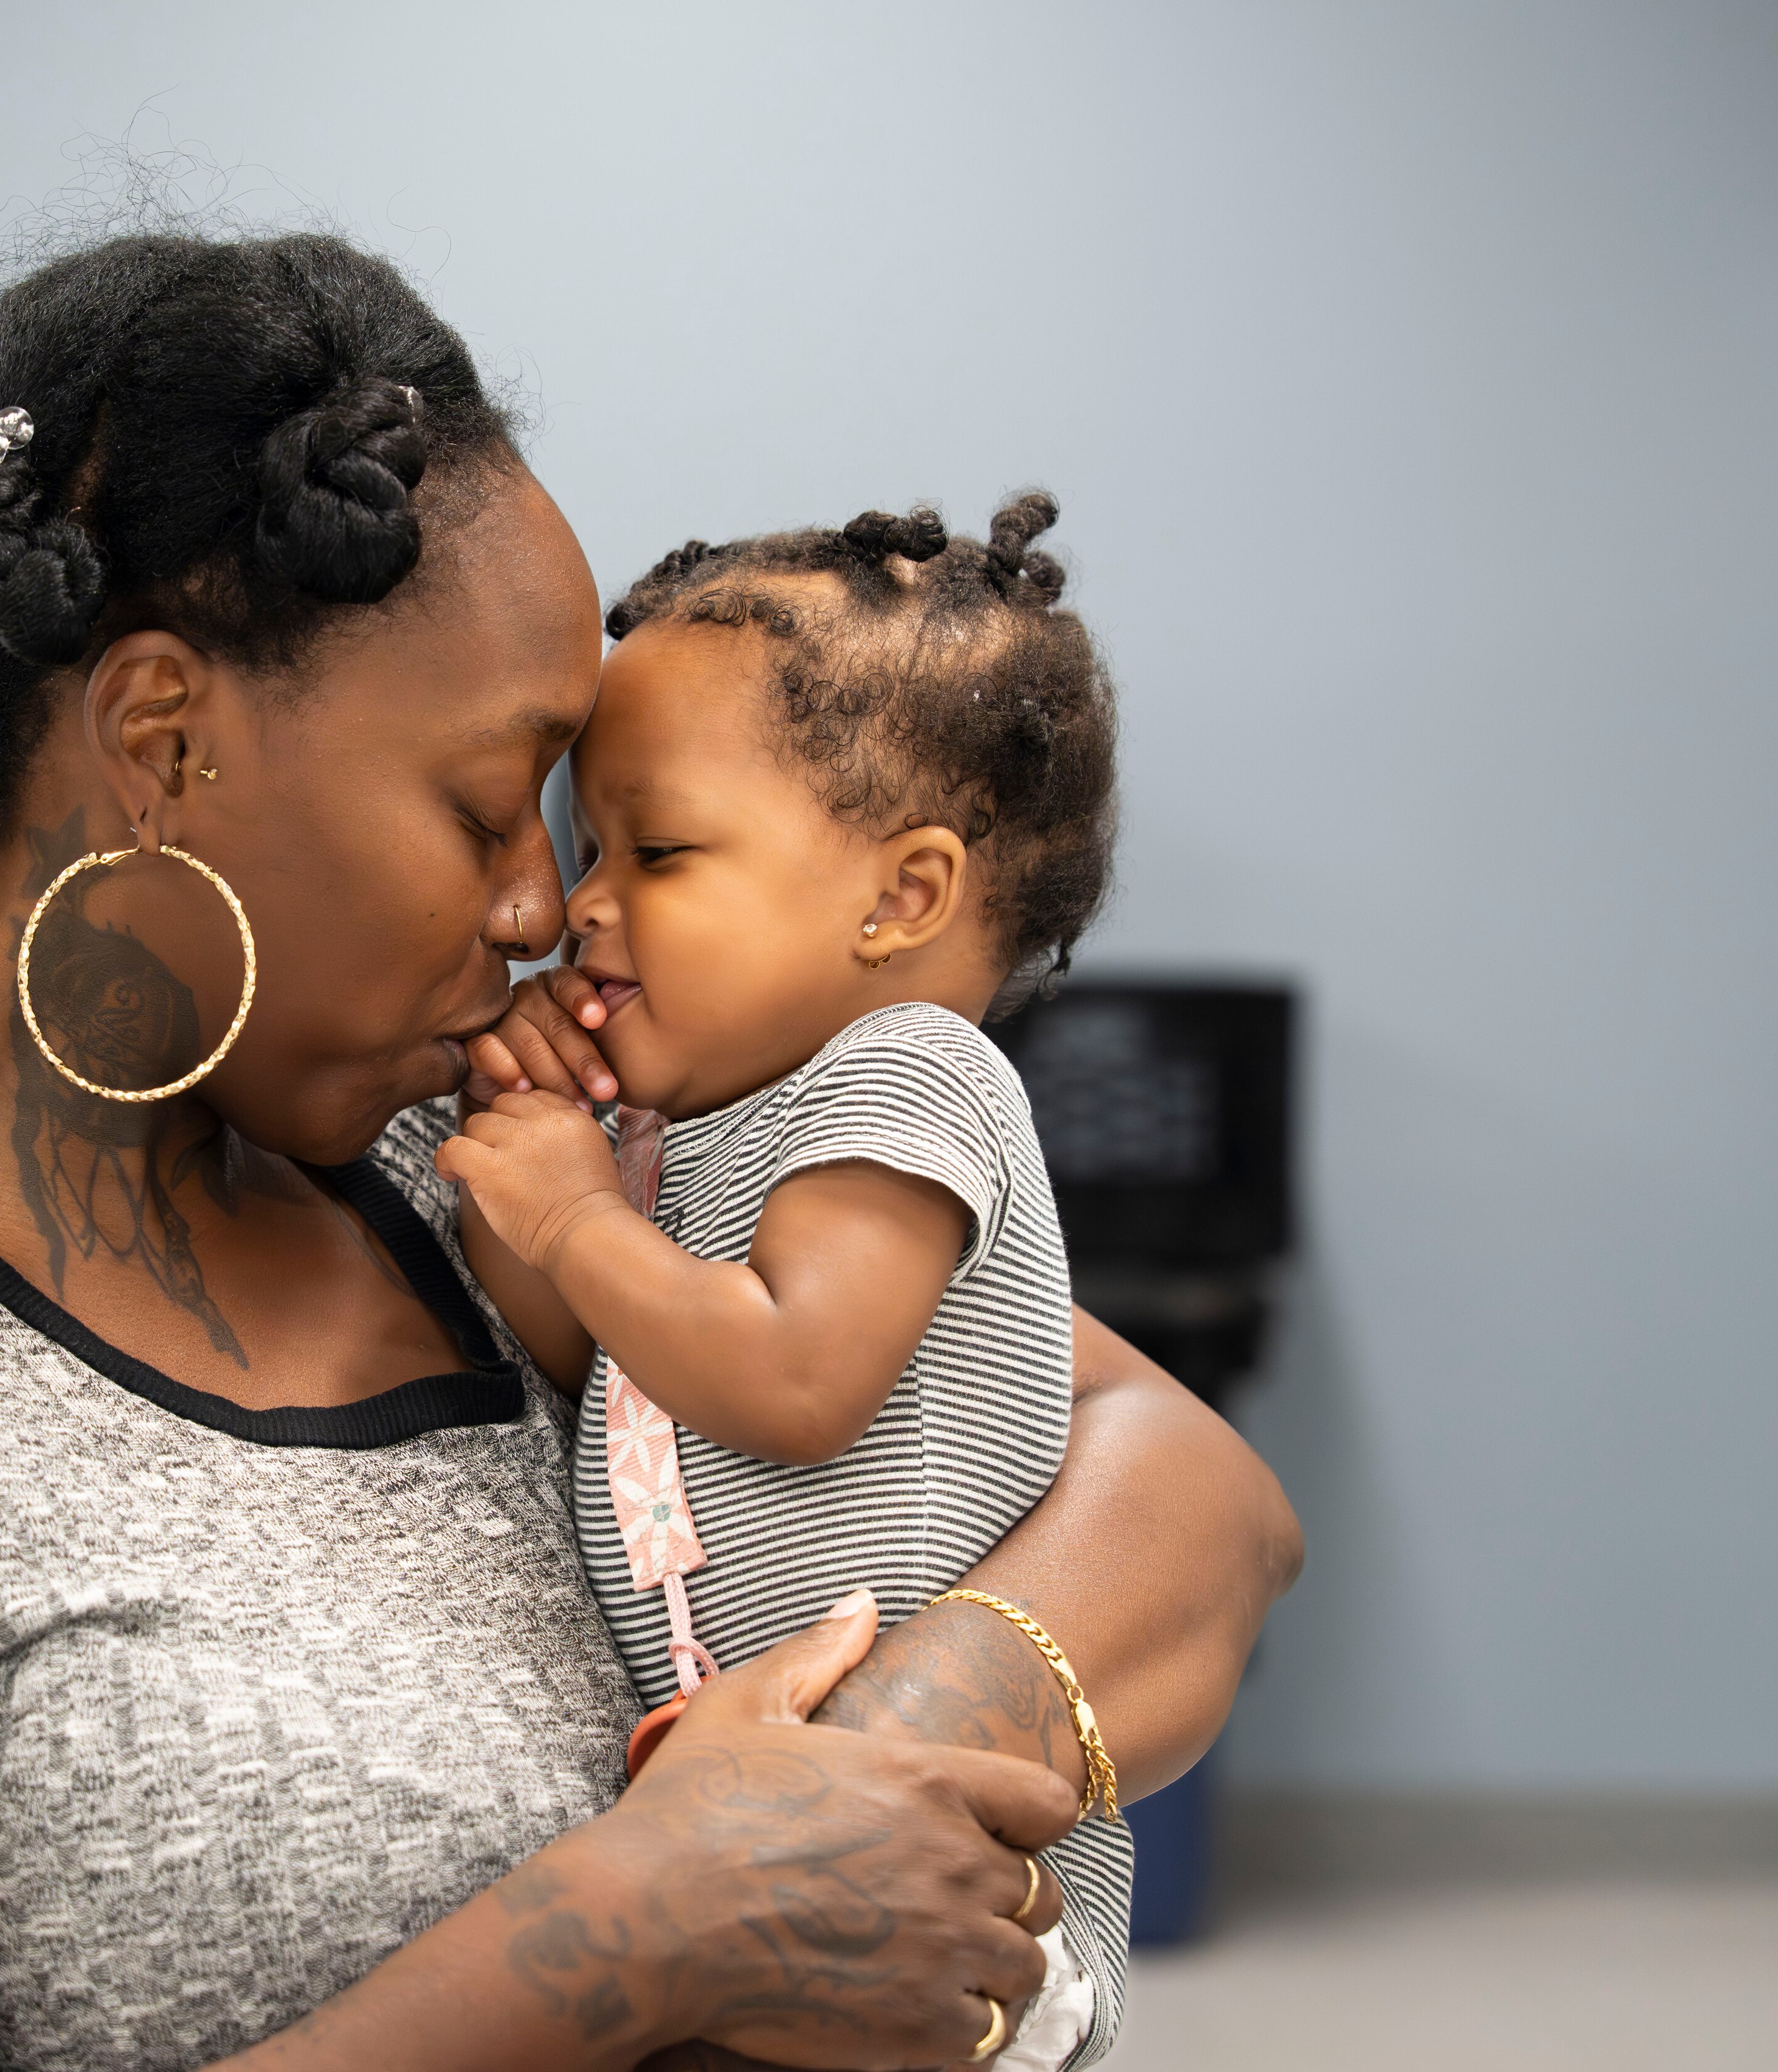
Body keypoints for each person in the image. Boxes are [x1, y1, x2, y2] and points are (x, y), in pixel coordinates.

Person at [0, 228, 1301, 2072]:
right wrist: (640, 1929)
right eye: (492, 807)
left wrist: (894, 1744)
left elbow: (1189, 1488)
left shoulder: (476, 1152)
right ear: (161, 738)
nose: (540, 910)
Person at [440, 497, 1127, 2064]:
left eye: (656, 851)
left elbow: (798, 1380)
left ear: (902, 895)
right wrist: (532, 1145)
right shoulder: (699, 1124)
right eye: (587, 848)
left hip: (952, 1887)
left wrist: (571, 1220)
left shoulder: (911, 1075)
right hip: (764, 1836)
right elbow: (580, 1362)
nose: (583, 903)